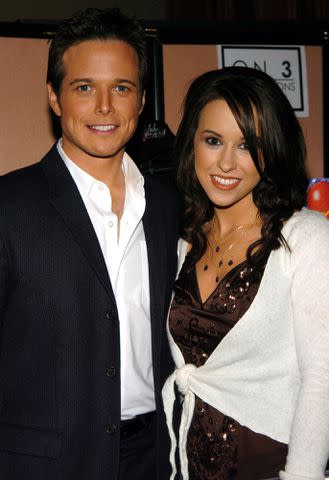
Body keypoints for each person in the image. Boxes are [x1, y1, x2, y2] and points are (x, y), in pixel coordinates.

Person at [0, 8, 178, 480]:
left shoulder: (170, 209)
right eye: (84, 87)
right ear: (54, 98)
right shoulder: (8, 206)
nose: (104, 106)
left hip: (154, 458)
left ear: (141, 102)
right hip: (43, 466)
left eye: (121, 87)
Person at [162, 66, 329, 480]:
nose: (225, 163)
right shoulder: (182, 242)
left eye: (247, 146)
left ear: (271, 151)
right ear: (192, 145)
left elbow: (322, 378)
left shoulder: (306, 236)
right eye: (213, 140)